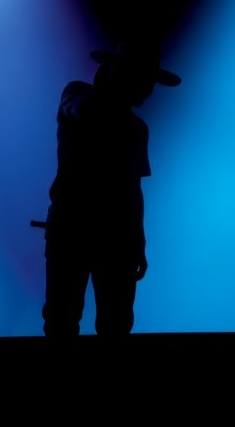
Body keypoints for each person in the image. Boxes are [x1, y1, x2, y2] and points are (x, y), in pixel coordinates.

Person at [40, 38, 180, 337]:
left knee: (104, 322)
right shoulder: (79, 94)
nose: (149, 90)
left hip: (101, 233)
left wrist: (138, 241)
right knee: (67, 319)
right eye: (145, 81)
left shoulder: (135, 127)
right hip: (76, 228)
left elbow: (133, 189)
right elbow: (84, 111)